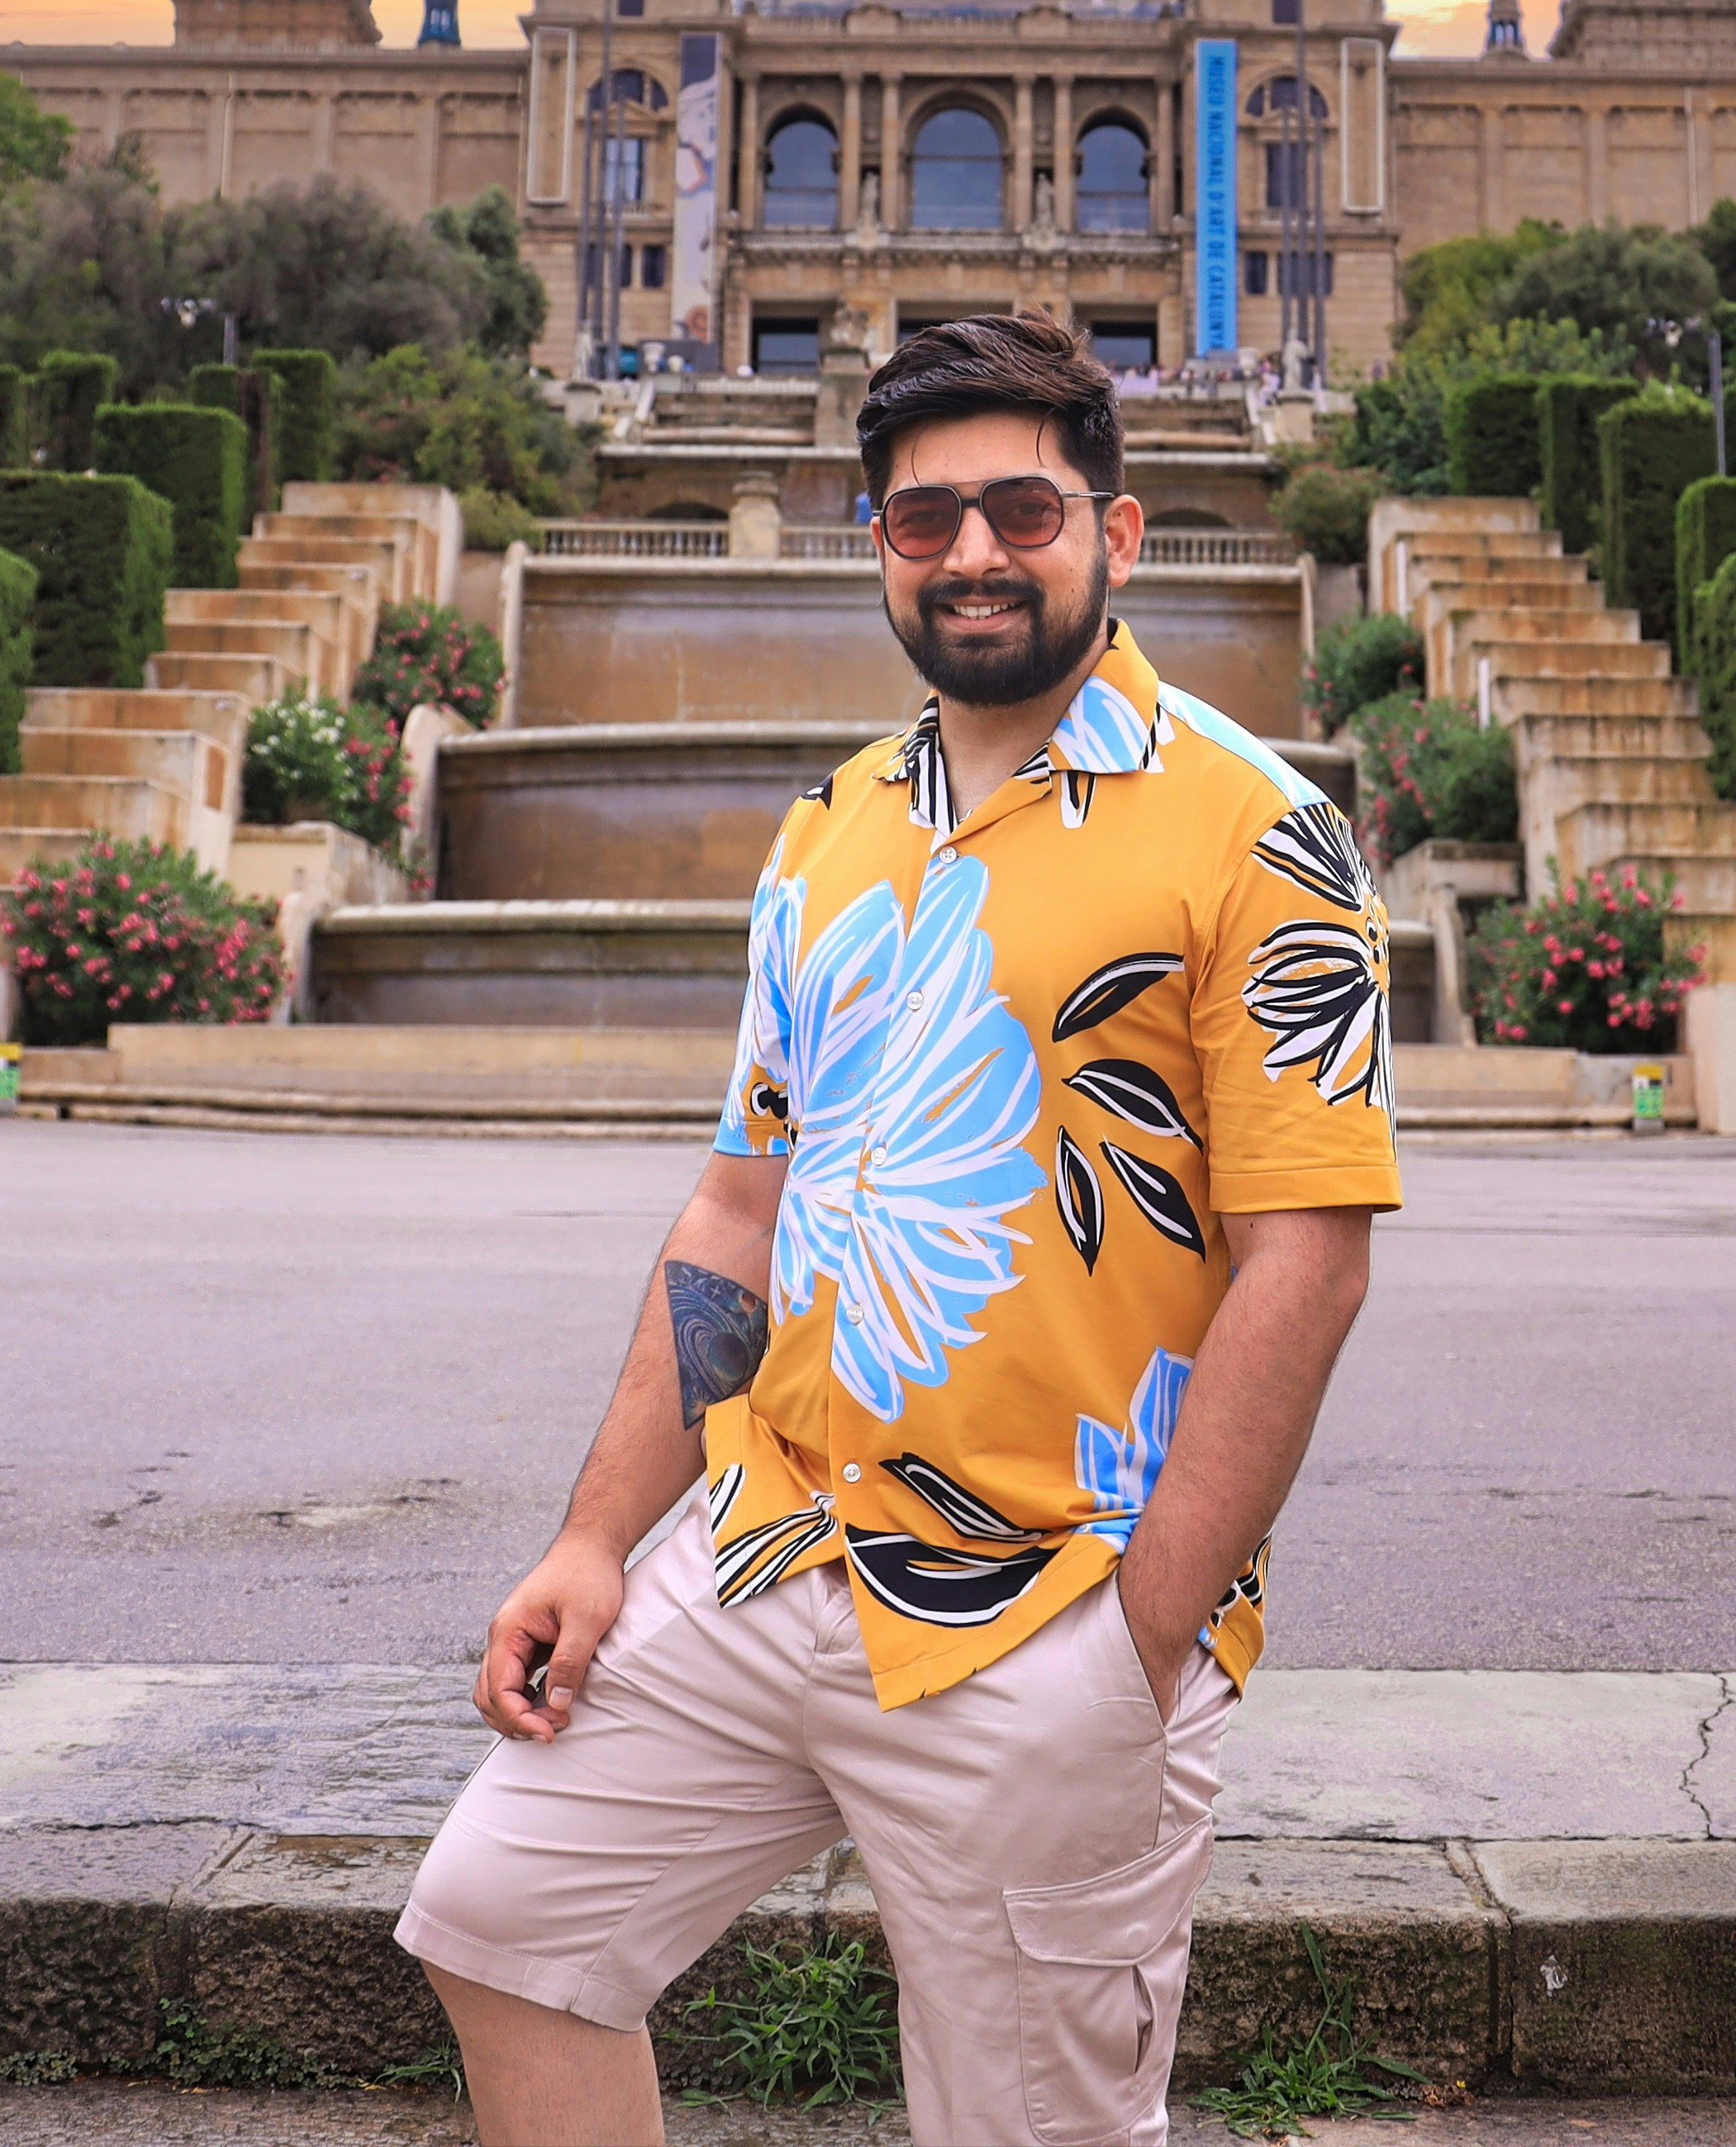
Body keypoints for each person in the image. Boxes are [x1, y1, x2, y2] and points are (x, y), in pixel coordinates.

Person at [397, 307, 1401, 2147]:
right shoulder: (832, 824)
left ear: (1119, 527)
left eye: (1023, 507)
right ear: (875, 540)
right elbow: (739, 1206)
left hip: (1058, 1598)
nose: (972, 552)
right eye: (922, 516)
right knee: (504, 1928)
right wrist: (599, 1537)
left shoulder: (1262, 828)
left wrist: (1146, 1636)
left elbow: (1310, 1259)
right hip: (770, 1549)